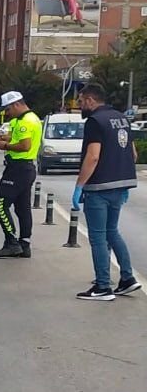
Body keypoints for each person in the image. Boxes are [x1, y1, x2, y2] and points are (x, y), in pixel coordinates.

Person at [72, 83, 140, 300]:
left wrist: (79, 186)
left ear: (91, 100)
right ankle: (127, 278)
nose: (80, 105)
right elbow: (133, 154)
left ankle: (102, 286)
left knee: (98, 237)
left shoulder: (95, 122)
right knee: (113, 232)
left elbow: (93, 156)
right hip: (120, 185)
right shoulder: (122, 118)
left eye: (81, 101)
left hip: (99, 187)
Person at [0, 91, 42, 259]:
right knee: (22, 208)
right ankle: (24, 243)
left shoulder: (25, 122)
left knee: (0, 206)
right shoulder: (31, 118)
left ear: (16, 104)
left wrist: (6, 146)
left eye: (7, 109)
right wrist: (7, 138)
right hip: (26, 169)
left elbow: (25, 145)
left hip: (18, 169)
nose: (6, 112)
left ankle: (11, 242)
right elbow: (19, 138)